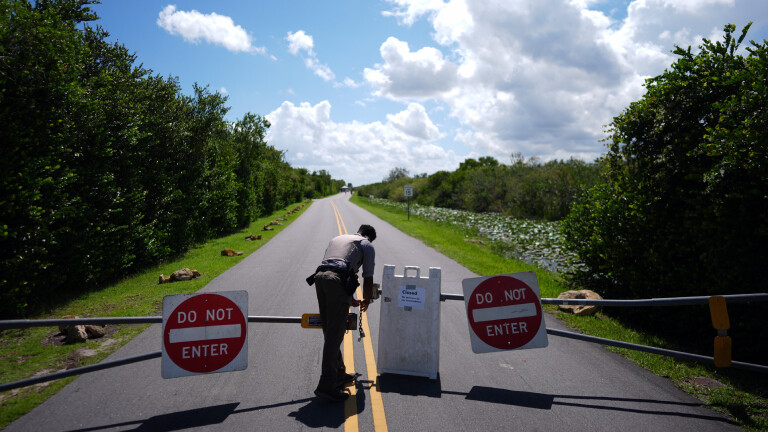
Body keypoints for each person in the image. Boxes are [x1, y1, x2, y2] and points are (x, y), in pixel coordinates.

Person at [307, 224, 376, 402]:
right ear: (369, 237)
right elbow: (368, 277)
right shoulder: (366, 245)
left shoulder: (337, 239)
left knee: (329, 330)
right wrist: (366, 299)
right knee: (334, 335)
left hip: (320, 278)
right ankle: (326, 385)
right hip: (336, 281)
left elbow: (336, 267)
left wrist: (348, 297)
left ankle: (339, 373)